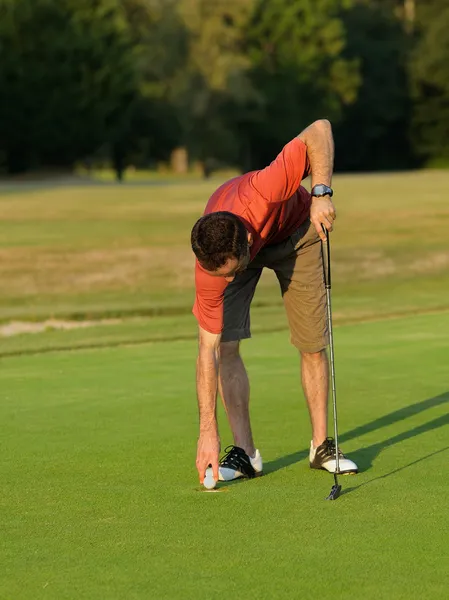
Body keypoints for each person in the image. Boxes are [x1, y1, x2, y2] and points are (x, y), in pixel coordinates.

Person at [190, 119, 358, 485]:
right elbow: (207, 351)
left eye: (231, 274)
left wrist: (321, 192)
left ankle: (321, 445)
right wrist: (207, 430)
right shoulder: (213, 266)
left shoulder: (266, 189)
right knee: (225, 347)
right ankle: (245, 453)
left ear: (248, 243)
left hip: (297, 234)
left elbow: (320, 129)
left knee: (312, 343)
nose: (226, 282)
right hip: (238, 248)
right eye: (221, 276)